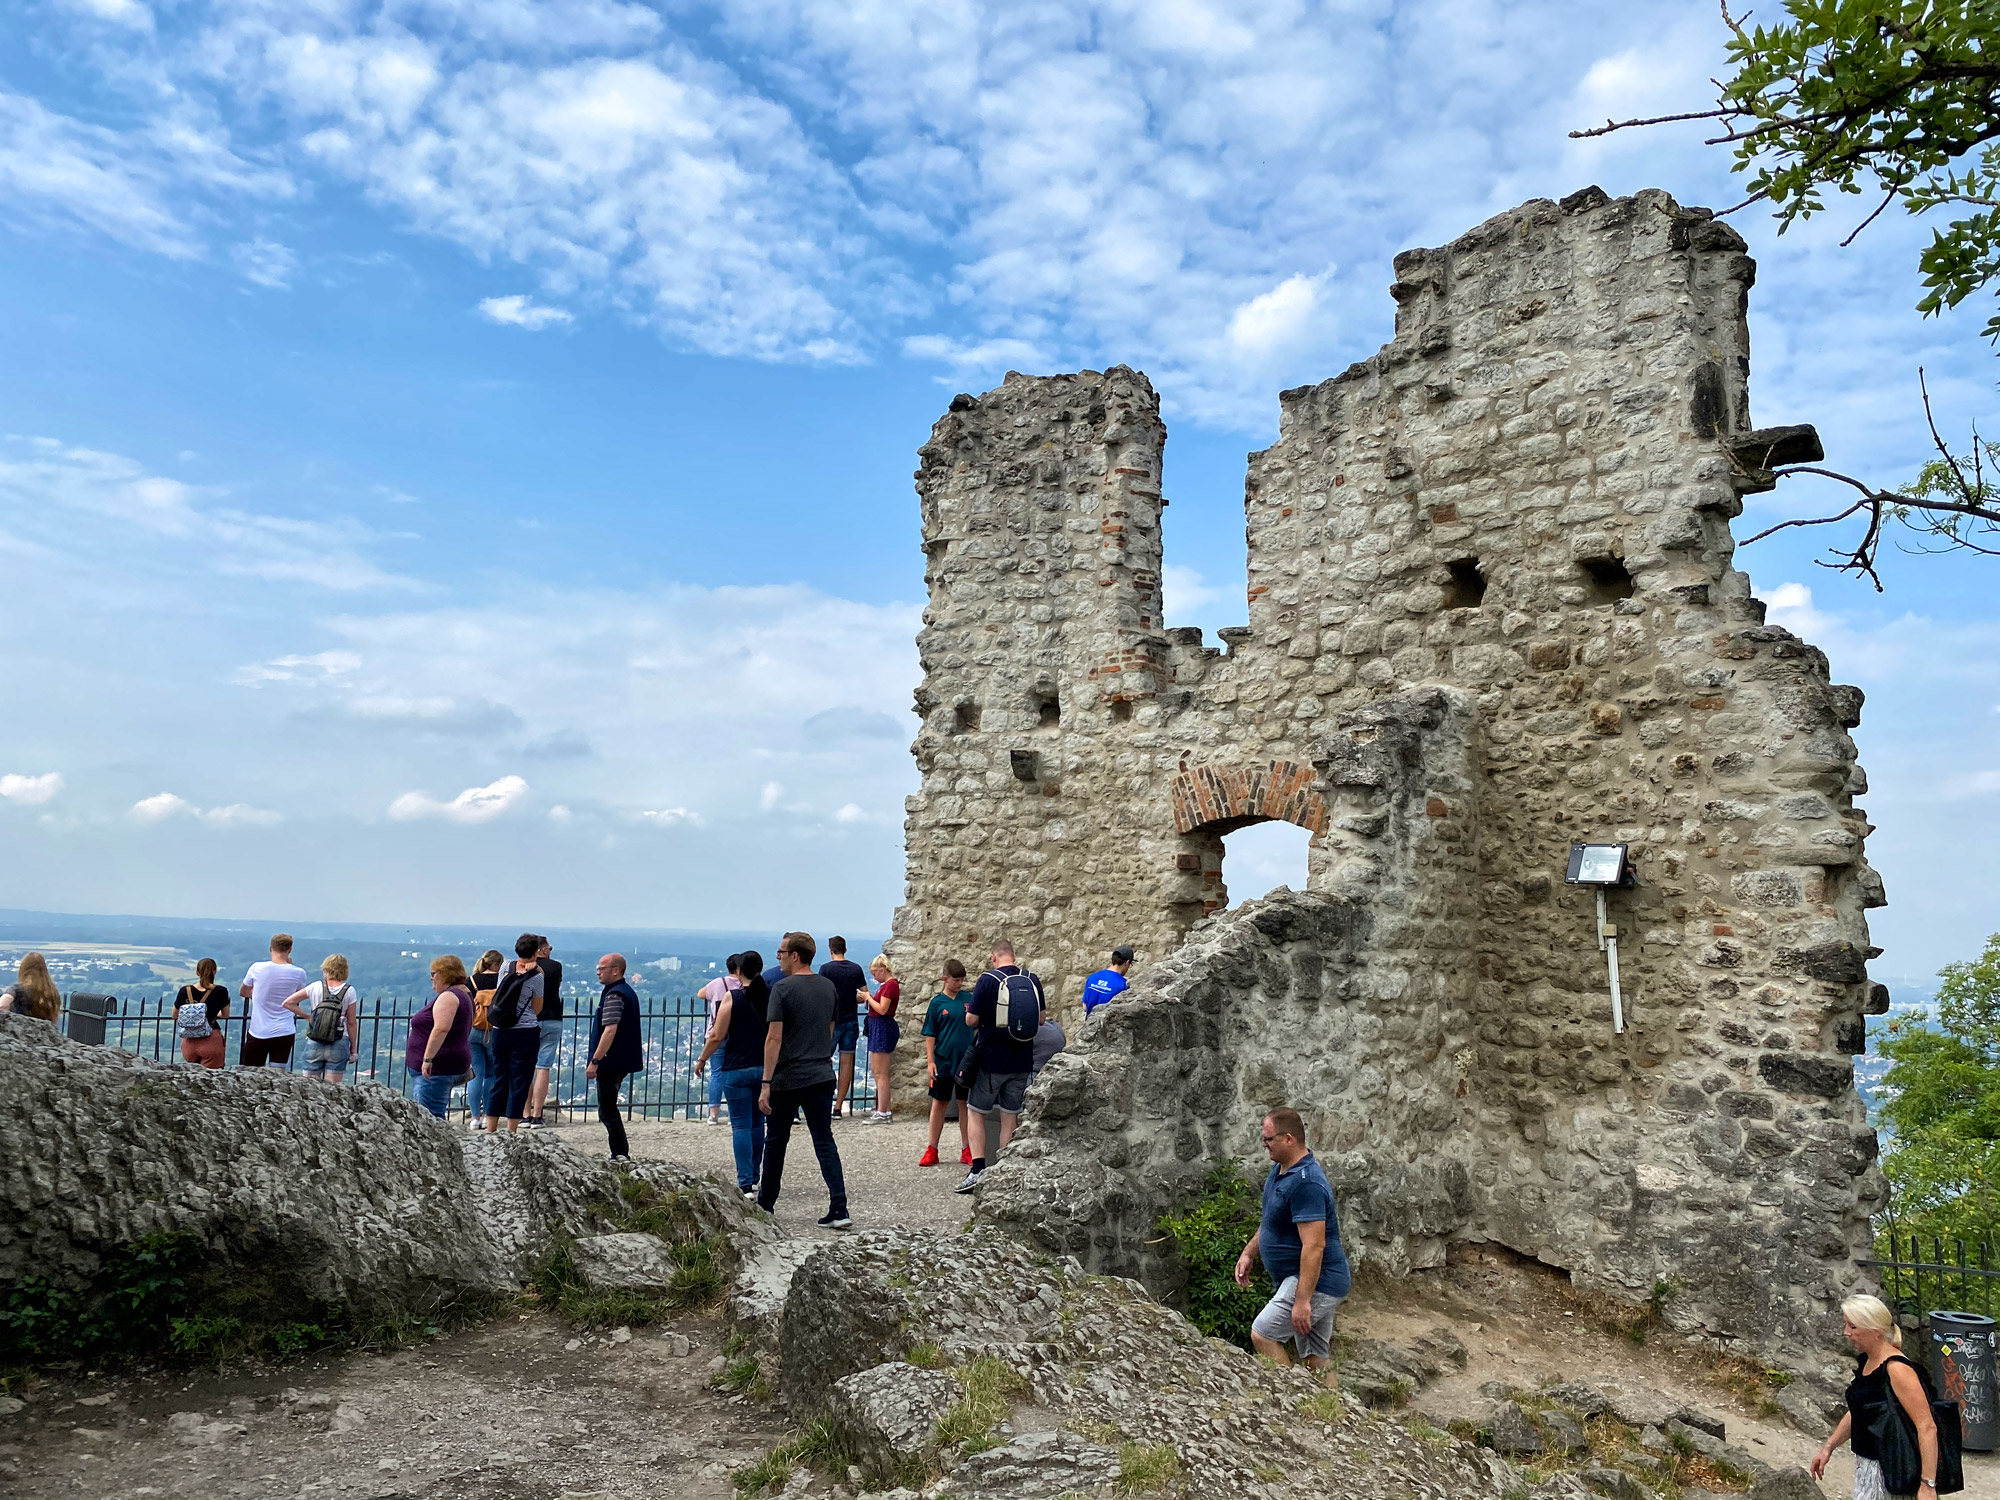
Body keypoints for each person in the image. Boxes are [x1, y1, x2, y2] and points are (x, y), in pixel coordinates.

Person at [1233, 1107, 1350, 1385]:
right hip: (1305, 1279)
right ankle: (1333, 1415)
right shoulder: (1281, 1171)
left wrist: (1302, 1302)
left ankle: (1290, 1400)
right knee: (1315, 1354)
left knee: (1263, 1334)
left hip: (1317, 1281)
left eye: (1268, 1139)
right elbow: (1272, 1221)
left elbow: (1314, 1247)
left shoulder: (1306, 1184)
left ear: (1288, 1139)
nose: (1264, 1144)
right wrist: (1250, 1252)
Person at [758, 932, 850, 1229]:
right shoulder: (828, 987)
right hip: (821, 1074)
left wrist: (766, 1082)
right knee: (824, 1140)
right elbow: (830, 1028)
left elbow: (774, 1038)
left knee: (775, 1141)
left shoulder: (782, 989)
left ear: (795, 955)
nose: (779, 957)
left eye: (782, 952)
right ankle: (839, 1207)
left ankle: (765, 1205)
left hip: (788, 1076)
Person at [1811, 1293, 1943, 1500]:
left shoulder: (1897, 1369)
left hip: (1895, 1470)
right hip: (1868, 1467)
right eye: (1846, 1325)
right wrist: (1829, 1447)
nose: (1846, 1333)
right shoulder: (1868, 1362)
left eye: (1853, 1327)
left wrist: (1928, 1485)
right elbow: (1861, 1410)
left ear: (1875, 1331)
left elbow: (1926, 1426)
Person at [955, 938, 1044, 1194]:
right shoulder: (1032, 979)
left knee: (975, 1112)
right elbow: (1041, 1019)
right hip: (1022, 1060)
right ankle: (1005, 1170)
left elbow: (972, 1020)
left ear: (994, 957)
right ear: (1013, 956)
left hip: (990, 1060)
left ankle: (977, 1170)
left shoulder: (987, 980)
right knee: (1009, 1116)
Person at [696, 950, 770, 1197]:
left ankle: (745, 1182)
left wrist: (702, 1058)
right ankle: (756, 1177)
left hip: (736, 1066)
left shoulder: (732, 997)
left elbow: (717, 1034)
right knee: (758, 1122)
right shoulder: (770, 996)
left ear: (738, 972)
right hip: (764, 1066)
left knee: (740, 1125)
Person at [483, 934, 545, 1134]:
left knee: (499, 1078)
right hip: (525, 1032)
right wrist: (537, 967)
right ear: (536, 952)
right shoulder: (537, 977)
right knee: (520, 1081)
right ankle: (511, 1130)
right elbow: (537, 1008)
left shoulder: (505, 967)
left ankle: (491, 1127)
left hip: (500, 1030)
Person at [585, 953, 643, 1162]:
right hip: (623, 1058)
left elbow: (609, 1030)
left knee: (607, 1109)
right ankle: (619, 1151)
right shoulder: (626, 992)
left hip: (612, 1060)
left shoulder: (614, 995)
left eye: (602, 968)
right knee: (608, 1107)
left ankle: (619, 1152)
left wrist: (595, 1060)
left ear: (615, 970)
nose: (598, 972)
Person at [919, 959, 974, 1168]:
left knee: (965, 1105)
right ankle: (932, 1149)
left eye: (962, 980)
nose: (960, 983)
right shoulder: (937, 1003)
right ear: (945, 979)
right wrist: (930, 1061)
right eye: (956, 980)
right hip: (942, 1062)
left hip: (965, 1062)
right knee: (939, 1103)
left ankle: (967, 1148)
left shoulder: (969, 999)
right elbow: (930, 1034)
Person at [407, 955, 473, 1118]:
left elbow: (441, 1029)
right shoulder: (462, 993)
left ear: (445, 973)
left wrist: (427, 1059)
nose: (432, 977)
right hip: (443, 1065)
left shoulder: (449, 997)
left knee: (430, 1117)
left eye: (434, 973)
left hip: (437, 1068)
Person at [286, 954, 360, 1083]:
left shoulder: (315, 987)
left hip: (315, 1039)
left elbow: (288, 1002)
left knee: (310, 1088)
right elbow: (351, 1022)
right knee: (333, 1088)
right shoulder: (349, 991)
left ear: (325, 968)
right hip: (339, 1040)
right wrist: (353, 1049)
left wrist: (309, 1017)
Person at [239, 934, 309, 1068]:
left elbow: (243, 991)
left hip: (259, 1030)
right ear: (290, 949)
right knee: (278, 1073)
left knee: (250, 1073)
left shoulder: (257, 968)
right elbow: (297, 997)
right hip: (285, 1030)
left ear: (271, 948)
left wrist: (259, 996)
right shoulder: (299, 973)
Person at [819, 936, 868, 1118]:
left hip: (831, 1021)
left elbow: (822, 994)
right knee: (847, 1063)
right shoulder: (855, 969)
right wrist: (850, 998)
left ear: (831, 950)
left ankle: (823, 1102)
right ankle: (838, 1107)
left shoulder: (826, 969)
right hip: (851, 1020)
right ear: (845, 950)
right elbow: (864, 995)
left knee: (823, 1061)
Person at [697, 955, 743, 1125]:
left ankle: (713, 1114)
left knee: (716, 1074)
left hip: (715, 1032)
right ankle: (734, 1113)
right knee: (734, 1074)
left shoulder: (717, 983)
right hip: (737, 1035)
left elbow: (701, 993)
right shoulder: (743, 984)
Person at [525, 935, 564, 1128]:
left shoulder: (522, 966)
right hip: (552, 1018)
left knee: (526, 1066)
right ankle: (537, 1114)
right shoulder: (555, 967)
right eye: (549, 948)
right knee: (543, 1067)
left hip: (528, 1020)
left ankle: (524, 1113)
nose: (550, 951)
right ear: (541, 949)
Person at [468, 949, 505, 1131]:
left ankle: (474, 1117)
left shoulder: (472, 980)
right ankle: (487, 1115)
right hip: (493, 1029)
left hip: (474, 1029)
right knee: (491, 1074)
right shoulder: (502, 980)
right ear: (497, 964)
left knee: (475, 1074)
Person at [864, 953, 900, 1122]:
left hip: (882, 1027)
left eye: (875, 973)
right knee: (877, 1072)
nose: (874, 977)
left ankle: (883, 1111)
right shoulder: (887, 985)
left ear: (883, 970)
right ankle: (883, 1109)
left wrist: (868, 998)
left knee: (881, 1073)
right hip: (879, 1026)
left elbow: (882, 1008)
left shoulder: (890, 986)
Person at [174, 957, 229, 1067]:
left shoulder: (185, 990)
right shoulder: (221, 991)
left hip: (189, 1042)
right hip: (211, 1039)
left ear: (197, 972)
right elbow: (225, 1015)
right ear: (214, 972)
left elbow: (175, 1015)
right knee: (211, 1078)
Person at [0, 952, 61, 1023]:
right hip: (44, 1032)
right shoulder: (52, 992)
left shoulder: (18, 990)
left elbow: (2, 1005)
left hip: (21, 1030)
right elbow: (54, 1021)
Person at [1082, 946, 1134, 1017]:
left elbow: (1085, 1006)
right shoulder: (1123, 985)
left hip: (1090, 1025)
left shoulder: (1092, 977)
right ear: (1127, 963)